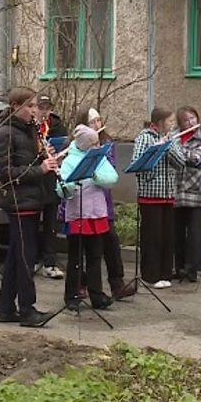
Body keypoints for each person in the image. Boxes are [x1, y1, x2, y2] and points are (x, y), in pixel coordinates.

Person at [0, 87, 57, 327]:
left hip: (32, 197)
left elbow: (26, 161)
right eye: (30, 106)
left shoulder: (29, 130)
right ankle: (27, 310)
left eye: (35, 106)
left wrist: (44, 157)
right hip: (19, 201)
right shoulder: (5, 133)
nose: (34, 111)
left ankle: (6, 308)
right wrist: (40, 169)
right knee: (25, 257)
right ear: (16, 106)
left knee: (14, 258)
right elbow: (4, 172)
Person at [75, 108, 136, 300]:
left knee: (111, 242)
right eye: (92, 121)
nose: (97, 125)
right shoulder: (76, 145)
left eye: (98, 120)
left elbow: (109, 168)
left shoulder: (107, 143)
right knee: (84, 247)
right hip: (83, 203)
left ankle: (116, 284)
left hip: (103, 202)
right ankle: (81, 284)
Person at [56, 124, 118, 311]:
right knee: (75, 258)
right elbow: (61, 188)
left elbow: (112, 178)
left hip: (97, 213)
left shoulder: (98, 158)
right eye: (94, 143)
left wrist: (97, 175)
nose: (97, 146)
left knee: (95, 256)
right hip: (78, 215)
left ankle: (96, 294)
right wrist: (69, 186)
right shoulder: (69, 161)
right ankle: (71, 295)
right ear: (84, 144)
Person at [131, 107, 187, 289]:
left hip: (168, 194)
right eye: (169, 121)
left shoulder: (173, 139)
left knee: (166, 236)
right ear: (159, 122)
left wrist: (168, 146)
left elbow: (181, 164)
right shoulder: (144, 137)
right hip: (150, 193)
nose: (172, 125)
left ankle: (165, 272)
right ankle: (150, 274)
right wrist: (157, 148)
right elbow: (137, 164)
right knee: (152, 236)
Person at [174, 106, 201, 283]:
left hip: (195, 188)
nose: (191, 123)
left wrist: (176, 148)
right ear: (180, 124)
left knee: (195, 232)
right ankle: (179, 267)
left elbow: (197, 157)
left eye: (193, 118)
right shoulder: (175, 135)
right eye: (186, 120)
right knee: (177, 231)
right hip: (176, 189)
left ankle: (192, 269)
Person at [34, 95, 67, 280]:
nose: (43, 111)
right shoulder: (31, 127)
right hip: (36, 178)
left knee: (50, 223)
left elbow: (65, 149)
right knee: (32, 224)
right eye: (40, 107)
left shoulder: (56, 126)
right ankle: (32, 259)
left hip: (51, 179)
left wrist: (59, 153)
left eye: (46, 107)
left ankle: (50, 262)